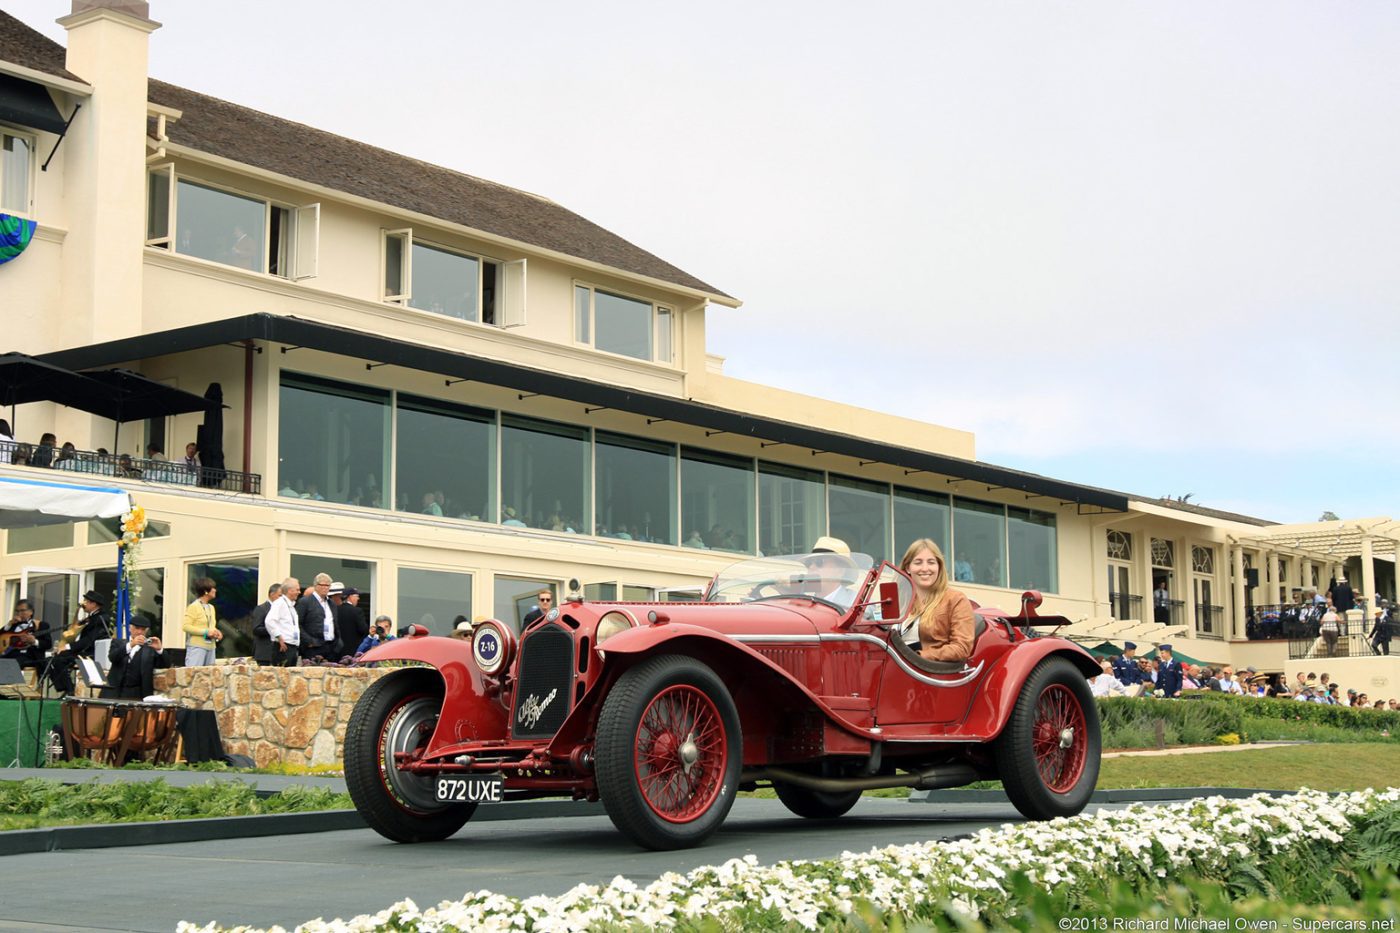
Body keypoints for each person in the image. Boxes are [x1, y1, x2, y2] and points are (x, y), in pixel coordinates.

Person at [899, 537, 975, 664]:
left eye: (931, 562)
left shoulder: (956, 599)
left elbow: (961, 648)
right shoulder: (899, 599)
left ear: (939, 567)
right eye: (918, 562)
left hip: (928, 672)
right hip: (893, 668)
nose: (925, 568)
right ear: (908, 568)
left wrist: (919, 656)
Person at [47, 590, 112, 695]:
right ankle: (65, 688)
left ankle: (70, 690)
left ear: (94, 604)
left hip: (90, 653)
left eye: (86, 601)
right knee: (50, 660)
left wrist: (67, 647)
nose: (84, 603)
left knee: (60, 660)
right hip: (82, 650)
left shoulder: (100, 618)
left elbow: (89, 640)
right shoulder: (91, 617)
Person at [100, 616, 168, 700]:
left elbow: (165, 664)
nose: (139, 632)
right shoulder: (118, 643)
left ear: (146, 631)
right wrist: (131, 644)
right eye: (137, 628)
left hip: (137, 693)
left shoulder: (150, 649)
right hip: (114, 691)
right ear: (130, 628)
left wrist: (159, 649)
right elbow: (113, 657)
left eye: (143, 629)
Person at [181, 576, 222, 666]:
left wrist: (216, 632)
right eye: (213, 588)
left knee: (208, 678)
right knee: (195, 676)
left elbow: (210, 626)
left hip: (211, 647)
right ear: (205, 591)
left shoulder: (211, 607)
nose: (215, 590)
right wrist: (206, 632)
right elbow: (186, 626)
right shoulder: (194, 606)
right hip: (197, 647)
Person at [297, 573, 339, 660]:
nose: (326, 587)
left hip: (330, 647)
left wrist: (338, 642)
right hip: (313, 648)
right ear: (316, 586)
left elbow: (335, 624)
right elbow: (298, 624)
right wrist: (309, 641)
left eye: (328, 585)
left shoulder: (331, 604)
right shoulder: (305, 602)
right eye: (323, 585)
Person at [1, 598, 52, 668]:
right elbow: (1, 636)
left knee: (14, 663)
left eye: (22, 611)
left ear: (31, 612)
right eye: (17, 611)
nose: (19, 613)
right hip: (10, 653)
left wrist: (34, 641)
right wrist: (9, 624)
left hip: (30, 656)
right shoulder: (14, 624)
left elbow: (48, 644)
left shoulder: (41, 625)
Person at [264, 577, 302, 667]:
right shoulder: (279, 603)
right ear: (290, 591)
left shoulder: (291, 606)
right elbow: (269, 621)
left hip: (292, 646)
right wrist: (279, 637)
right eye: (297, 590)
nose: (299, 592)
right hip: (283, 647)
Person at [250, 582, 281, 666]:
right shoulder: (261, 609)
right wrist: (274, 629)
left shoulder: (282, 610)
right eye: (280, 596)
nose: (282, 599)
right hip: (264, 654)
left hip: (278, 653)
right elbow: (256, 629)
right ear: (272, 594)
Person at [335, 585, 368, 655]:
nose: (358, 598)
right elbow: (363, 630)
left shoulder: (335, 610)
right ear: (350, 597)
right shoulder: (357, 611)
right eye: (356, 596)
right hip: (353, 651)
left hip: (337, 651)